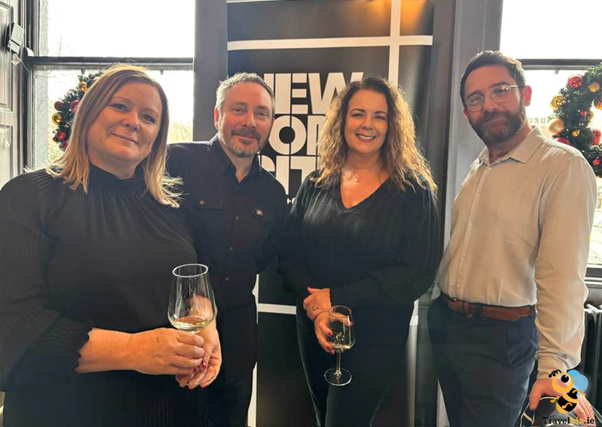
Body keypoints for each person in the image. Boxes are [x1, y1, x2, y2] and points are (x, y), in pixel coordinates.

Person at [0, 65, 221, 427]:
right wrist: (135, 350)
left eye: (148, 117)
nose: (133, 122)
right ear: (88, 112)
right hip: (67, 411)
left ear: (158, 136)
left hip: (170, 407)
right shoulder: (29, 198)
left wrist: (206, 325)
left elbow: (191, 285)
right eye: (120, 106)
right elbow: (14, 327)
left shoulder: (170, 205)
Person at [428, 50, 597, 427]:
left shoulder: (562, 166)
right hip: (449, 323)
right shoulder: (480, 166)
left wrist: (555, 367)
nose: (488, 105)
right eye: (476, 99)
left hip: (501, 336)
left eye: (500, 91)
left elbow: (563, 277)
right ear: (466, 112)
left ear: (526, 94)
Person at [279, 76, 440, 427]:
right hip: (316, 328)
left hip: (375, 337)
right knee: (323, 416)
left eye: (379, 116)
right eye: (358, 114)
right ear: (342, 121)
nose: (368, 124)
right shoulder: (316, 183)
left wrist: (335, 298)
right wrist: (317, 308)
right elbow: (290, 252)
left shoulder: (413, 190)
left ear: (392, 125)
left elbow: (416, 273)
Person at [167, 73, 287, 427]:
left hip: (237, 343)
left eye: (261, 114)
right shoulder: (175, 163)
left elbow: (262, 258)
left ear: (270, 124)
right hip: (175, 338)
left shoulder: (273, 193)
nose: (250, 122)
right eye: (239, 109)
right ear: (217, 115)